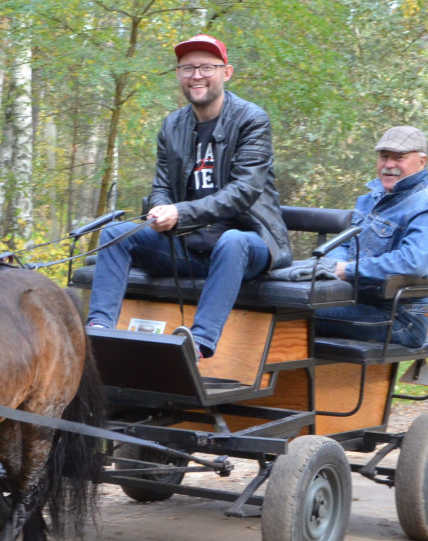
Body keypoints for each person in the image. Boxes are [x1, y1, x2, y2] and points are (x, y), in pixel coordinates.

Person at [85, 34, 291, 360]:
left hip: (252, 242)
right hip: (191, 247)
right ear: (179, 75)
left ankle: (197, 344)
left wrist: (180, 213)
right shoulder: (172, 126)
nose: (196, 75)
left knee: (233, 241)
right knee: (115, 235)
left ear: (227, 72)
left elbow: (244, 191)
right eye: (187, 68)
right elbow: (161, 187)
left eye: (206, 67)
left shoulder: (251, 119)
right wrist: (159, 209)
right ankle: (98, 332)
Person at [314, 126, 428, 348]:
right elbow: (348, 243)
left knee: (293, 314)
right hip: (355, 301)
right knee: (281, 302)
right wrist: (329, 264)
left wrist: (347, 270)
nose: (389, 165)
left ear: (422, 162)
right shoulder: (370, 199)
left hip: (400, 319)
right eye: (384, 156)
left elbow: (413, 263)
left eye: (399, 158)